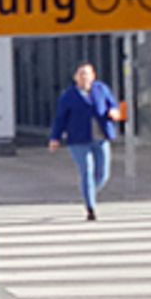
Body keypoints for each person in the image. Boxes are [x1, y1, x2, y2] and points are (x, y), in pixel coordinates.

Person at [49, 61, 121, 221]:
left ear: (93, 76)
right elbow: (60, 118)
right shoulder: (68, 96)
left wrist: (114, 112)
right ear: (75, 77)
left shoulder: (101, 89)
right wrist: (55, 137)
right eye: (81, 74)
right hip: (78, 140)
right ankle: (90, 207)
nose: (84, 77)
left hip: (100, 138)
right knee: (86, 170)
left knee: (102, 174)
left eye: (87, 74)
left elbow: (113, 104)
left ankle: (88, 192)